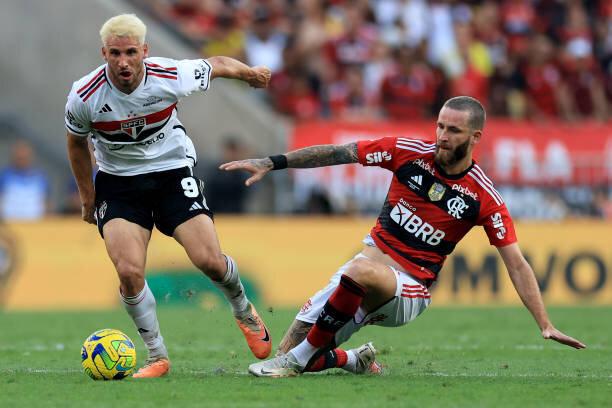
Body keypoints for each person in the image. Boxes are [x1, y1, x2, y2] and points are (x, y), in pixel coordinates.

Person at [220, 96, 586, 378]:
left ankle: (295, 363)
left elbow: (517, 264)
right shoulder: (407, 153)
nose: (442, 136)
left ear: (475, 137)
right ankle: (351, 360)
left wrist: (545, 323)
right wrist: (274, 162)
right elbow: (338, 153)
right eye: (440, 126)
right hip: (359, 274)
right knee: (295, 342)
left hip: (409, 289)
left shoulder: (483, 197)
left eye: (454, 131)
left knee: (350, 283)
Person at [64, 14, 272, 378]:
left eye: (131, 52)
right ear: (104, 53)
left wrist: (250, 73)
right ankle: (156, 355)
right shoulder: (84, 95)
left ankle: (242, 309)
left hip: (172, 172)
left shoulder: (169, 74)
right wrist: (88, 197)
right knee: (129, 272)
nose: (123, 62)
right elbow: (76, 143)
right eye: (115, 53)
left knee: (208, 260)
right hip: (120, 182)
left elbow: (219, 64)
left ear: (145, 51)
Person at [0, 141, 50, 220]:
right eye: (19, 158)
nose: (22, 161)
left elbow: (46, 203)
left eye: (24, 158)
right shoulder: (4, 177)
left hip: (35, 226)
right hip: (9, 224)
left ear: (30, 158)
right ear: (13, 158)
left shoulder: (40, 178)